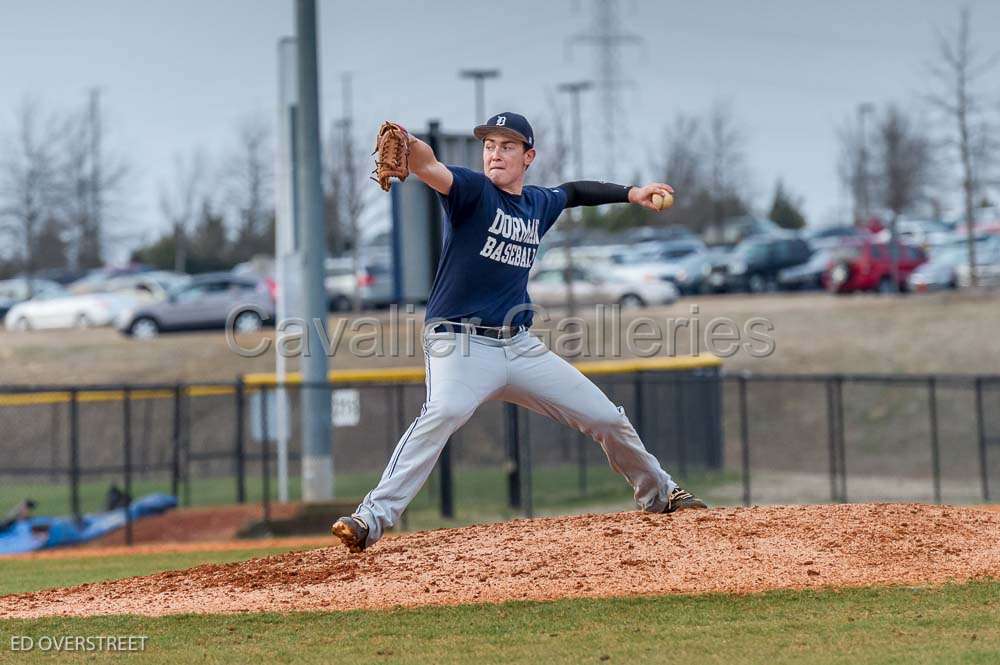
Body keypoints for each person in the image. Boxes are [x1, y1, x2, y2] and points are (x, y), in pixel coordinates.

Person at [332, 112, 707, 553]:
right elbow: (429, 167)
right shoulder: (471, 192)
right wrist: (410, 145)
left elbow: (574, 193)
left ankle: (660, 495)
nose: (495, 152)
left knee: (607, 418)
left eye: (507, 146)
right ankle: (370, 518)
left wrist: (632, 193)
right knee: (443, 412)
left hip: (520, 347)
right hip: (460, 344)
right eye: (490, 145)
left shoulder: (536, 204)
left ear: (528, 156)